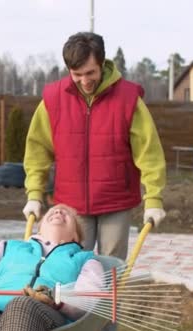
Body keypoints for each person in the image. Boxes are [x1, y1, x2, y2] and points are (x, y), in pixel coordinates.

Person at [23, 31, 167, 261]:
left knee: (111, 266)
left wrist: (154, 199)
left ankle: (109, 299)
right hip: (72, 204)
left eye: (90, 72)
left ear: (102, 64)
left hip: (115, 199)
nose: (84, 80)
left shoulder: (128, 99)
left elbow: (149, 152)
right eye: (77, 74)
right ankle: (73, 300)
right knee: (71, 264)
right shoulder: (53, 99)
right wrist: (34, 193)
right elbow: (37, 151)